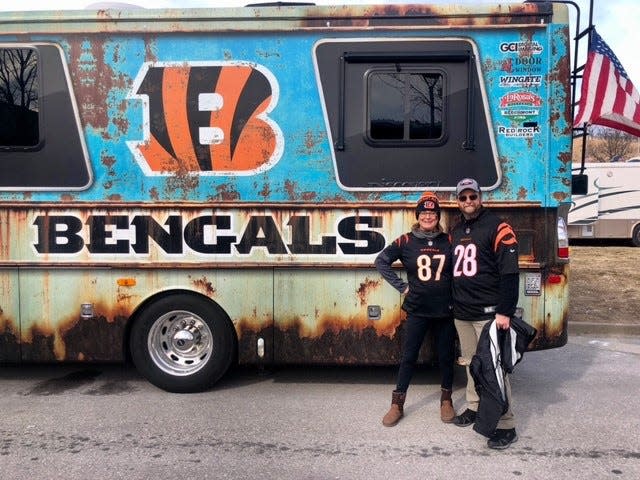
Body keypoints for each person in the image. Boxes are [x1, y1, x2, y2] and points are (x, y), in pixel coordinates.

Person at [449, 177, 520, 449]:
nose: (468, 202)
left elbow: (510, 273)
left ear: (480, 197)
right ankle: (475, 406)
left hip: (489, 314)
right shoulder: (456, 230)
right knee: (469, 364)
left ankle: (506, 424)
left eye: (472, 196)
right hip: (462, 312)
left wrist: (505, 311)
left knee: (494, 370)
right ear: (458, 202)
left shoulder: (498, 227)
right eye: (463, 198)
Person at [375, 192, 456, 427]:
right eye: (424, 213)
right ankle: (397, 403)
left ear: (438, 216)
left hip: (445, 310)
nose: (428, 216)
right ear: (418, 216)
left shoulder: (449, 240)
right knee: (409, 356)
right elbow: (381, 261)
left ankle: (446, 400)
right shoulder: (406, 241)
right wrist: (403, 287)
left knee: (446, 356)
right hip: (418, 309)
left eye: (432, 213)